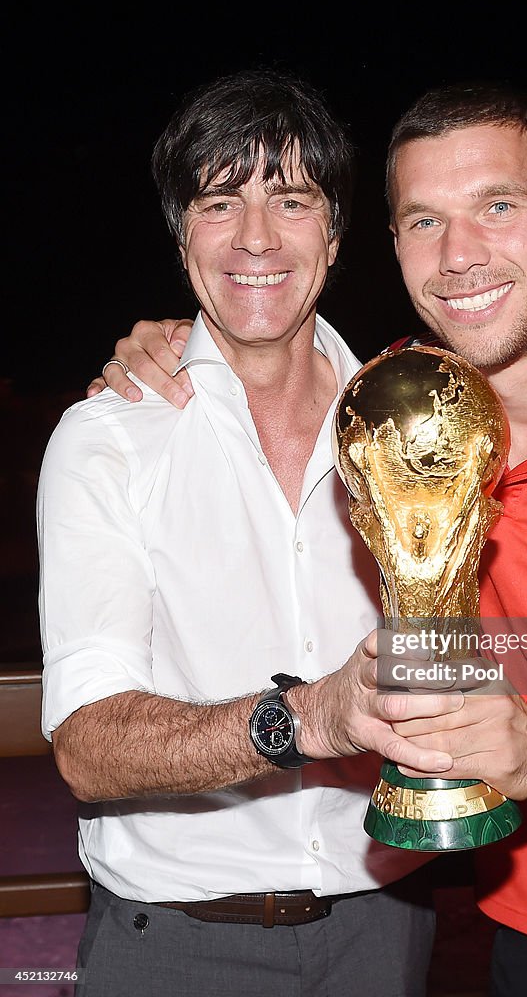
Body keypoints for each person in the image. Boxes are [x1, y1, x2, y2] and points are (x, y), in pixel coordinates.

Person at [90, 79, 527, 997]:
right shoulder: (397, 408)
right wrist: (178, 345)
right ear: (390, 246)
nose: (460, 255)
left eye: (496, 206)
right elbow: (272, 366)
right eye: (423, 222)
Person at [37, 68, 465, 997]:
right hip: (177, 946)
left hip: (388, 930)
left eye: (292, 200)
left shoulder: (419, 418)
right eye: (219, 202)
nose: (256, 238)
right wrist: (307, 715)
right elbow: (85, 744)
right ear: (181, 233)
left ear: (337, 232)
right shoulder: (108, 437)